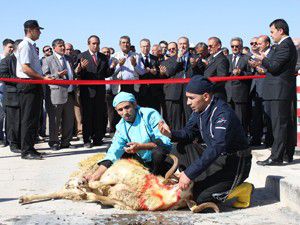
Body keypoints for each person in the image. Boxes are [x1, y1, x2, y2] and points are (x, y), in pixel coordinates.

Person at [159, 76, 252, 206]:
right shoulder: (199, 109)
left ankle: (243, 188)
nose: (187, 102)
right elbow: (188, 133)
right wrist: (170, 134)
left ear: (206, 96)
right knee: (179, 148)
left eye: (191, 98)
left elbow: (216, 147)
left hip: (235, 163)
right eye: (187, 98)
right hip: (216, 159)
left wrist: (189, 173)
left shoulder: (222, 114)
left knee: (200, 199)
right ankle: (194, 182)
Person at [86, 92, 172, 181]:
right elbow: (114, 152)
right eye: (120, 110)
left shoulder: (149, 114)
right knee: (113, 151)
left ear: (134, 104)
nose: (125, 112)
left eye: (127, 107)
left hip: (161, 158)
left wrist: (141, 146)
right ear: (116, 111)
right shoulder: (121, 126)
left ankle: (157, 176)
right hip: (142, 159)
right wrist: (97, 174)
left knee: (158, 153)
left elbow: (164, 142)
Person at [254, 19, 298, 165]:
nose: (271, 35)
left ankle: (277, 157)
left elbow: (274, 66)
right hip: (278, 91)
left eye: (272, 32)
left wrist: (263, 59)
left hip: (279, 91)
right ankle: (285, 154)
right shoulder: (283, 45)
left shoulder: (285, 46)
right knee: (282, 124)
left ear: (281, 31)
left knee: (279, 125)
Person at [16, 20, 53, 159]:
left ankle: (31, 148)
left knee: (34, 118)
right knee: (28, 118)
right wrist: (42, 78)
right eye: (38, 29)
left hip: (34, 83)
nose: (40, 32)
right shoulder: (25, 45)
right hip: (28, 84)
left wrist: (42, 77)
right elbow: (25, 68)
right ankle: (26, 151)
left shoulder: (31, 46)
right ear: (30, 30)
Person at [75, 35, 115, 148]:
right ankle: (87, 139)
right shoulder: (82, 56)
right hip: (87, 91)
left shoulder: (103, 57)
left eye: (97, 43)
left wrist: (112, 67)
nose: (96, 45)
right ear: (88, 44)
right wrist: (80, 68)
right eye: (93, 43)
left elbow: (106, 73)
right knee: (87, 116)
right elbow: (77, 74)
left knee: (99, 115)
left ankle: (97, 138)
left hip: (100, 91)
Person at [159, 36, 204, 130]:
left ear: (188, 45)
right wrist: (178, 59)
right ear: (177, 45)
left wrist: (194, 66)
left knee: (191, 116)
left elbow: (202, 74)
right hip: (174, 93)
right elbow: (169, 72)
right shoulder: (170, 60)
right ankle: (177, 138)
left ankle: (192, 138)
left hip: (190, 93)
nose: (183, 46)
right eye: (180, 44)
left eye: (185, 44)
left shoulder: (196, 58)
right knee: (175, 119)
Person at [42, 38, 76, 150]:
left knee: (69, 119)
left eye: (63, 45)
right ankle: (54, 142)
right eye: (60, 46)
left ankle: (66, 141)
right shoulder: (48, 60)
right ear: (54, 47)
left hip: (70, 93)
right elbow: (45, 76)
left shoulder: (69, 59)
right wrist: (57, 74)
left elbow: (71, 74)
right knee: (55, 120)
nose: (63, 48)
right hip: (55, 94)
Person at [225, 37, 252, 132]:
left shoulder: (247, 58)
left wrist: (241, 73)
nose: (234, 48)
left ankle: (242, 142)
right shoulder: (227, 58)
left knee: (241, 120)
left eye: (237, 46)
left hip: (240, 94)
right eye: (232, 46)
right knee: (229, 120)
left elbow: (251, 74)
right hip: (228, 94)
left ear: (241, 47)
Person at [0, 39, 22, 152]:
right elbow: (3, 75)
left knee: (23, 121)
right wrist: (19, 80)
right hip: (12, 96)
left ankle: (23, 143)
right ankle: (13, 145)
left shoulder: (25, 60)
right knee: (13, 122)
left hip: (25, 95)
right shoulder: (6, 60)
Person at [0, 38, 15, 147]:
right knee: (0, 116)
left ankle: (9, 138)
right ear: (4, 47)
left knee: (8, 116)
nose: (11, 49)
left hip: (9, 90)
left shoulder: (13, 60)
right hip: (1, 90)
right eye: (10, 47)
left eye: (13, 47)